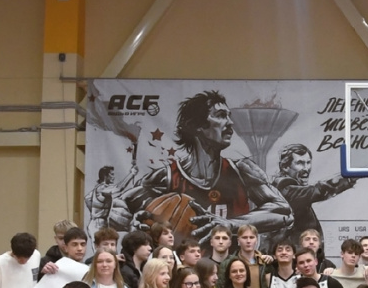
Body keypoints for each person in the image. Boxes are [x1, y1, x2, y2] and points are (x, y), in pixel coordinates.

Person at [109, 89, 293, 244]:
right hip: (184, 269)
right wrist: (126, 220)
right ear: (197, 126)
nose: (231, 122)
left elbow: (283, 211)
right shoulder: (165, 177)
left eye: (229, 116)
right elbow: (120, 207)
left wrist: (230, 224)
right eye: (221, 116)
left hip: (230, 268)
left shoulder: (242, 171)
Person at [274, 143, 358, 244]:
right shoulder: (284, 188)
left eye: (308, 162)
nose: (306, 168)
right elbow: (318, 191)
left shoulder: (292, 190)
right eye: (300, 163)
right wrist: (351, 177)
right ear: (285, 167)